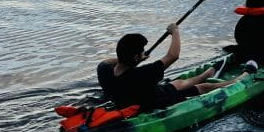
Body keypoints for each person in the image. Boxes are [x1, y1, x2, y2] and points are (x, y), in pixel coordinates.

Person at [98, 23, 244, 111]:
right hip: (154, 101)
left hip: (143, 95)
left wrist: (136, 60)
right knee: (203, 87)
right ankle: (234, 81)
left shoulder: (104, 70)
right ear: (136, 57)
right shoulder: (142, 74)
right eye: (142, 52)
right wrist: (175, 31)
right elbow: (173, 56)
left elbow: (114, 61)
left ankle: (206, 74)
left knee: (179, 83)